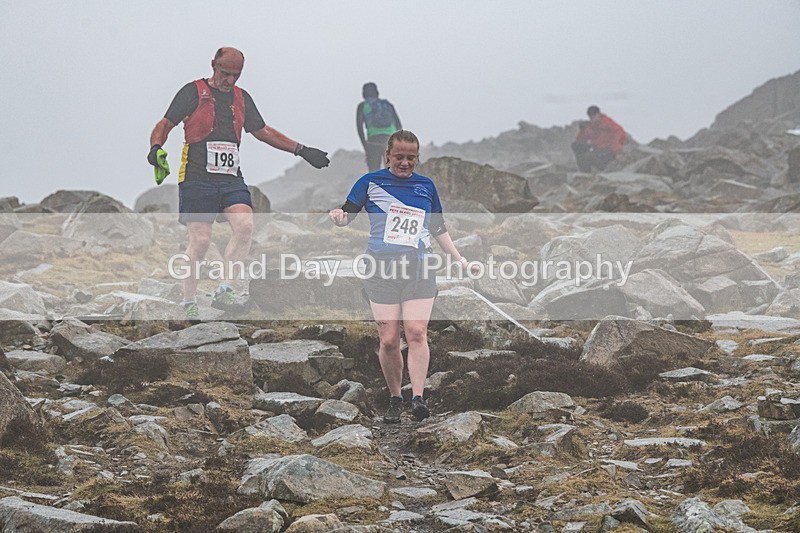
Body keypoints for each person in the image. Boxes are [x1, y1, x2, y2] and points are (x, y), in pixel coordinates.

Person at [147, 47, 330, 318]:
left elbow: (262, 131)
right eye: (225, 73)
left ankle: (225, 290)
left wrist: (302, 150)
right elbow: (165, 124)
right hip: (197, 178)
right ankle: (188, 301)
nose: (230, 80)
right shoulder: (192, 92)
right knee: (201, 241)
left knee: (245, 226)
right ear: (213, 65)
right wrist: (155, 147)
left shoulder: (242, 98)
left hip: (231, 178)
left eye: (236, 75)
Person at [329, 130, 477, 423]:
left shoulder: (426, 186)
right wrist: (339, 218)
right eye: (399, 157)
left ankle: (418, 398)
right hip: (381, 271)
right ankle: (395, 398)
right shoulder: (369, 182)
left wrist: (460, 260)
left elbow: (438, 228)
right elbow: (348, 214)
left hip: (419, 268)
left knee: (417, 332)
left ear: (417, 157)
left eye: (411, 157)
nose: (405, 163)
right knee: (388, 341)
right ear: (388, 155)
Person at [356, 82, 402, 172]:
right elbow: (398, 124)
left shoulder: (362, 106)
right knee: (393, 172)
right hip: (390, 140)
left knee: (374, 173)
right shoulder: (387, 104)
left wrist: (366, 147)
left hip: (373, 141)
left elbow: (359, 129)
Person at [571, 105, 625, 172]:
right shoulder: (590, 125)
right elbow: (580, 139)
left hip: (608, 150)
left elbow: (620, 133)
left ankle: (591, 171)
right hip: (596, 148)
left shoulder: (607, 122)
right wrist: (583, 130)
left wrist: (616, 149)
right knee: (576, 145)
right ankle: (585, 171)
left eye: (594, 115)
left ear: (599, 114)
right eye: (591, 116)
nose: (592, 118)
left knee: (588, 157)